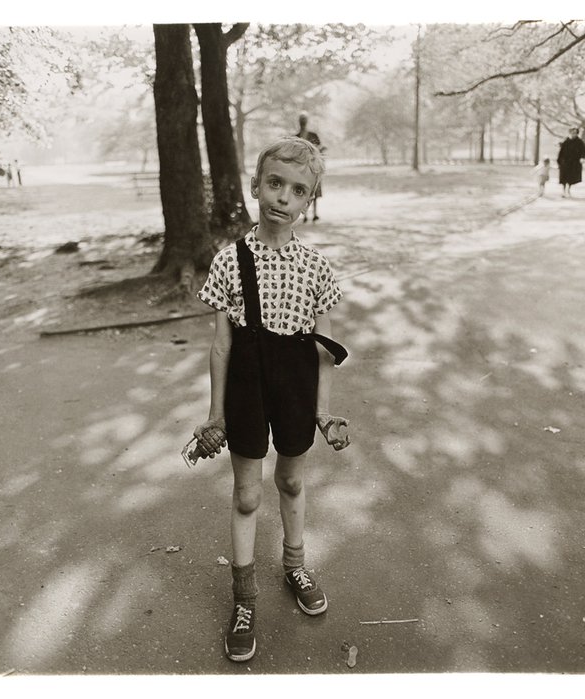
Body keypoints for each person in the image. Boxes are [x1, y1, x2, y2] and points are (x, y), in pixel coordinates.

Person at [194, 136, 351, 663]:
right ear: (256, 185)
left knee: (290, 480)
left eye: (298, 190)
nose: (283, 197)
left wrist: (323, 412)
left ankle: (295, 564)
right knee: (246, 495)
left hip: (295, 387)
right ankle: (243, 599)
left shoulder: (317, 269)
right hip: (245, 386)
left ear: (311, 201)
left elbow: (326, 350)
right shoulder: (228, 260)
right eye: (275, 183)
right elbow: (221, 345)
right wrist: (215, 414)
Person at [294, 112, 325, 221]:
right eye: (301, 121)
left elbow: (320, 148)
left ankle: (315, 214)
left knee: (314, 190)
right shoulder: (296, 137)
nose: (303, 123)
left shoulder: (313, 135)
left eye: (304, 121)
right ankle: (305, 214)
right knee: (303, 191)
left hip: (313, 167)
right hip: (301, 169)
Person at [556, 127, 585, 197]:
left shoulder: (580, 142)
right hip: (565, 162)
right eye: (572, 133)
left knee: (571, 177)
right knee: (563, 177)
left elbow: (583, 151)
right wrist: (559, 160)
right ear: (570, 133)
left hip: (574, 163)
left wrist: (582, 158)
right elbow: (561, 152)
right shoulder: (566, 141)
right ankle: (563, 191)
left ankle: (568, 190)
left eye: (575, 133)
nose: (573, 134)